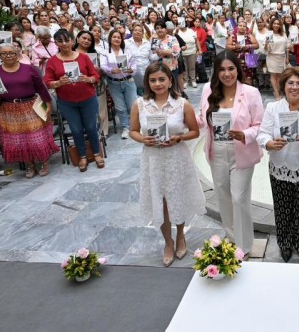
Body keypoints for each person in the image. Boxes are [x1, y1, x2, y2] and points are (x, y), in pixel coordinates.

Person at [129, 61, 204, 266]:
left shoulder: (182, 104)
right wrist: (143, 139)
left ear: (170, 81)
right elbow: (133, 131)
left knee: (176, 198)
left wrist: (179, 137)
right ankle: (168, 242)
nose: (158, 84)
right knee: (160, 201)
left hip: (176, 157)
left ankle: (180, 235)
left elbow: (194, 131)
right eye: (153, 80)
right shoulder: (140, 104)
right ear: (147, 83)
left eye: (162, 79)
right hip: (153, 159)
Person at [257, 66, 299, 263]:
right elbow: (262, 134)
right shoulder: (273, 108)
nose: (294, 87)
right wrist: (270, 143)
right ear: (283, 85)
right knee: (282, 209)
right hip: (280, 165)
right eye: (290, 83)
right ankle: (285, 243)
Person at [198, 52, 264, 254]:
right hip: (217, 152)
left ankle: (244, 246)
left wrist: (245, 134)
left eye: (231, 69)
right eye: (222, 69)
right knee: (223, 197)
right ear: (216, 72)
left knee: (238, 198)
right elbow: (202, 119)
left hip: (242, 152)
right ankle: (231, 238)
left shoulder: (251, 93)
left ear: (238, 69)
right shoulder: (208, 89)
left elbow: (260, 125)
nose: (227, 74)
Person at [0, 43, 58, 178]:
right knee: (19, 140)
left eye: (11, 53)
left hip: (30, 106)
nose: (8, 56)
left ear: (17, 54)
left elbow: (41, 87)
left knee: (37, 138)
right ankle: (29, 165)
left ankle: (44, 163)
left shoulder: (28, 68)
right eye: (4, 53)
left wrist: (48, 103)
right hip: (8, 109)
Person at [44, 29, 104, 172]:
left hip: (87, 98)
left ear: (73, 41)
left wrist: (88, 79)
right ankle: (82, 156)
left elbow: (95, 76)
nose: (64, 43)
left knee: (91, 127)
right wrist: (59, 82)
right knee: (76, 129)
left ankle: (97, 153)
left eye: (67, 40)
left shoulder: (83, 57)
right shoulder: (52, 61)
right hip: (67, 102)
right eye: (60, 41)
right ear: (56, 43)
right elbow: (48, 82)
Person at [101, 29, 137, 139]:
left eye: (119, 37)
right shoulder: (105, 52)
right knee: (120, 108)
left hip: (128, 81)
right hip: (114, 83)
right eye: (114, 37)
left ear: (122, 39)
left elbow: (134, 65)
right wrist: (111, 70)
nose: (117, 39)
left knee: (132, 106)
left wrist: (131, 70)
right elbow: (103, 66)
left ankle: (136, 126)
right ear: (110, 39)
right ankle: (126, 128)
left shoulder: (127, 51)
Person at [265, 17, 290, 100]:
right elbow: (266, 49)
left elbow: (287, 47)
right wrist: (266, 44)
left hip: (281, 57)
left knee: (280, 75)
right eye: (274, 23)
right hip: (272, 57)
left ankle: (278, 91)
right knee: (273, 75)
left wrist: (287, 58)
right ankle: (276, 92)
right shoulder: (269, 34)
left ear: (280, 25)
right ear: (272, 25)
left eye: (278, 24)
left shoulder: (283, 34)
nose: (276, 25)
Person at [228, 21, 261, 85]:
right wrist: (235, 47)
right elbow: (227, 47)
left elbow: (257, 45)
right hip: (236, 60)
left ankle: (248, 90)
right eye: (240, 26)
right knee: (236, 77)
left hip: (248, 60)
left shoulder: (249, 35)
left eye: (244, 26)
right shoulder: (233, 36)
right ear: (237, 27)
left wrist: (249, 46)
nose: (242, 27)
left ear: (246, 28)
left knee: (248, 78)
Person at [125, 23, 151, 96]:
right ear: (132, 32)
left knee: (147, 94)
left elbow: (151, 57)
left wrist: (159, 54)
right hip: (133, 74)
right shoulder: (126, 43)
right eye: (135, 30)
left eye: (140, 31)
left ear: (142, 33)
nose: (138, 32)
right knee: (136, 95)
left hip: (146, 72)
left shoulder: (147, 43)